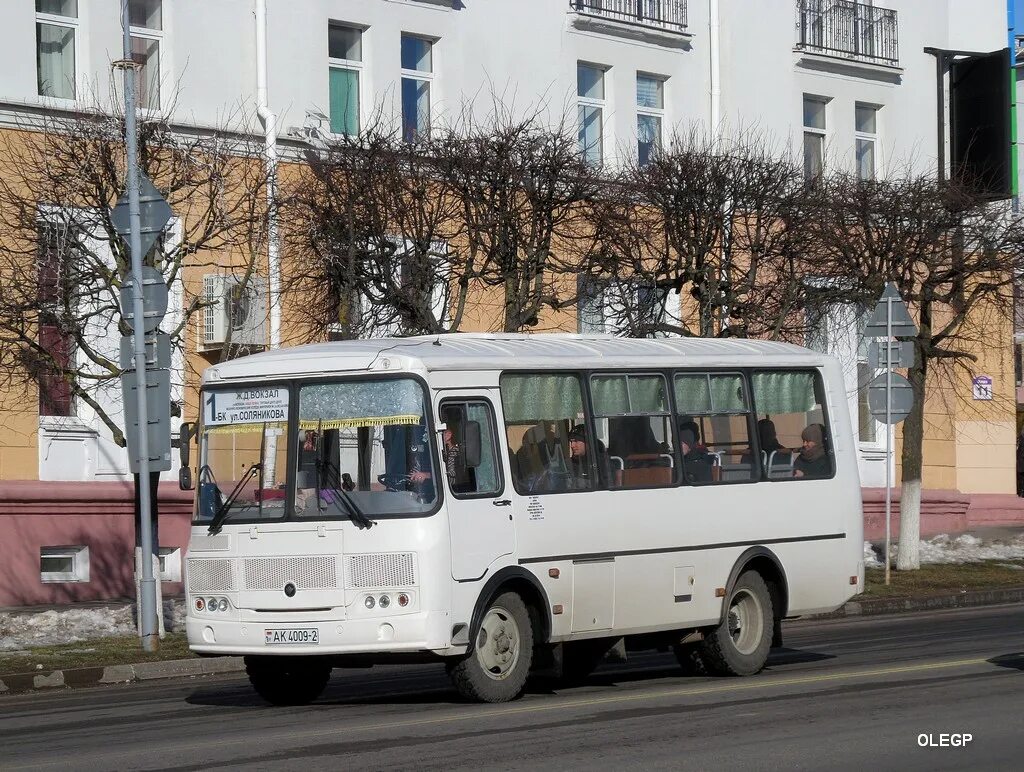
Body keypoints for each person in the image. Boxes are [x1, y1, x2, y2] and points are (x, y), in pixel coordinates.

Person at [567, 425, 612, 489]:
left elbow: (605, 488)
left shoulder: (602, 464)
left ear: (588, 443)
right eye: (571, 441)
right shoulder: (568, 464)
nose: (572, 445)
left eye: (576, 441)